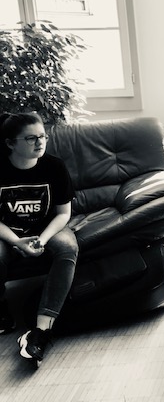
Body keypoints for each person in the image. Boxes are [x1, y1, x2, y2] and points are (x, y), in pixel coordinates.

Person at [0, 112, 78, 366]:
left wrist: (42, 240)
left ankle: (41, 330)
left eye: (43, 136)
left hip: (47, 228)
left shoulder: (54, 167)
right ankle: (2, 311)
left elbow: (63, 213)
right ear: (10, 143)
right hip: (8, 232)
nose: (40, 142)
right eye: (31, 138)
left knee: (67, 248)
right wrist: (16, 241)